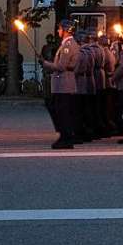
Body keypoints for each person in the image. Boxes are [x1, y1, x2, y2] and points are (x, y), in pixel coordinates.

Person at [41, 19, 80, 149]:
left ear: (65, 30)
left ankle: (66, 138)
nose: (58, 31)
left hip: (64, 83)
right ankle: (64, 136)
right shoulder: (66, 44)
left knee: (63, 113)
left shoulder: (68, 45)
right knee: (60, 111)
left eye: (59, 29)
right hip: (62, 83)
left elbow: (61, 66)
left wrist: (46, 64)